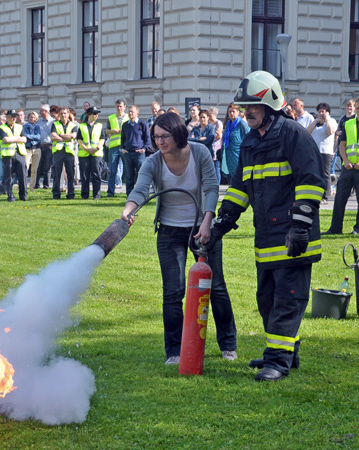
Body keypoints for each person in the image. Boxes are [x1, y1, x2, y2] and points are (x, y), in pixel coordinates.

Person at [209, 71, 325, 382]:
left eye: (253, 107)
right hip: (266, 241)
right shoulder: (250, 143)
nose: (247, 113)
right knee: (268, 301)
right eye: (244, 107)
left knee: (288, 300)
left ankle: (278, 361)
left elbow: (312, 182)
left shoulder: (292, 135)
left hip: (294, 238)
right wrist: (223, 222)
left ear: (271, 105)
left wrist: (300, 226)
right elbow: (239, 189)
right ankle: (288, 352)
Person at [121, 112, 238, 365]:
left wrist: (207, 223)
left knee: (216, 287)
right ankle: (174, 351)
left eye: (165, 136)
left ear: (178, 134)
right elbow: (140, 189)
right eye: (156, 137)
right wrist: (128, 211)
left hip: (201, 228)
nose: (160, 142)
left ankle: (228, 344)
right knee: (173, 292)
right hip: (169, 232)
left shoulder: (199, 153)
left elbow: (210, 187)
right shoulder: (153, 162)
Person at [324, 95, 359, 235]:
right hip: (348, 167)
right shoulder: (349, 123)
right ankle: (335, 228)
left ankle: (357, 229)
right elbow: (342, 144)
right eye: (357, 107)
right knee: (339, 199)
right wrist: (346, 161)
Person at [307, 103, 336, 204]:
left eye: (323, 111)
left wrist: (327, 120)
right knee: (315, 173)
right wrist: (315, 121)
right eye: (319, 111)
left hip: (326, 152)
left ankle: (326, 195)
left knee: (325, 174)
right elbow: (307, 132)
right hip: (315, 151)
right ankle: (316, 194)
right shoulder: (315, 122)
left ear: (328, 112)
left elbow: (330, 132)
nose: (321, 113)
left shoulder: (332, 121)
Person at [120, 105, 151, 195]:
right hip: (128, 153)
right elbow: (122, 139)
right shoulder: (125, 125)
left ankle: (142, 193)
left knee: (141, 174)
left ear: (137, 113)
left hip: (139, 153)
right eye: (129, 111)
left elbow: (147, 139)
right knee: (129, 175)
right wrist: (123, 148)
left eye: (132, 112)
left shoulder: (142, 124)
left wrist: (144, 149)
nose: (130, 113)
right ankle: (129, 195)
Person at [0, 109, 28, 202]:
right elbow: (5, 140)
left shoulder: (20, 127)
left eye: (15, 116)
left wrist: (12, 139)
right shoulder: (2, 128)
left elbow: (24, 139)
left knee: (23, 175)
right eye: (12, 116)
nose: (14, 118)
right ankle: (10, 195)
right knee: (9, 176)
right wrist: (17, 138)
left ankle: (23, 195)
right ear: (7, 117)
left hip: (19, 153)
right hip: (8, 155)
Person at [77, 106, 105, 200]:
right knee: (84, 176)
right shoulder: (82, 126)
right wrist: (86, 149)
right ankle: (84, 195)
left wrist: (97, 148)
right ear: (89, 114)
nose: (96, 115)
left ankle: (96, 195)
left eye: (97, 114)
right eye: (94, 113)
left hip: (96, 154)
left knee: (96, 175)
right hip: (84, 154)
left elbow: (102, 138)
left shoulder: (100, 125)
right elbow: (79, 139)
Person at [51, 106, 78, 200]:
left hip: (69, 152)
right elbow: (53, 137)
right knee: (56, 174)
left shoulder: (73, 125)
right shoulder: (55, 124)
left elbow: (73, 135)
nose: (63, 115)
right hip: (58, 151)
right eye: (61, 113)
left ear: (68, 114)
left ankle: (70, 194)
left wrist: (60, 135)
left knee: (70, 174)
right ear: (59, 114)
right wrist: (66, 137)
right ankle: (56, 194)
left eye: (65, 113)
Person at [220, 103, 249, 183]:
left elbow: (249, 137)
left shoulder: (242, 124)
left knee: (239, 175)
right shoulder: (228, 124)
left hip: (238, 155)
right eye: (230, 112)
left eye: (233, 111)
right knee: (231, 175)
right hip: (229, 155)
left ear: (238, 112)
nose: (231, 113)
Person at [106, 99, 129, 196]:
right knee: (113, 171)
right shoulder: (111, 117)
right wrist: (112, 131)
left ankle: (129, 191)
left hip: (125, 146)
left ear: (124, 107)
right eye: (117, 106)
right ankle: (110, 192)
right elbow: (106, 131)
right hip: (114, 147)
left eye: (121, 106)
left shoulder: (128, 117)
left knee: (128, 170)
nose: (119, 108)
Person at [36, 104, 54, 189]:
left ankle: (46, 185)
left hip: (49, 146)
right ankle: (36, 184)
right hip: (40, 146)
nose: (40, 112)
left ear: (46, 111)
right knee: (38, 166)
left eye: (41, 111)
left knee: (47, 167)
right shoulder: (39, 122)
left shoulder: (52, 122)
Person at [23, 111, 41, 192]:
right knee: (25, 167)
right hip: (28, 149)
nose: (32, 119)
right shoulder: (25, 126)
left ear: (36, 118)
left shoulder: (37, 127)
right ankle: (23, 186)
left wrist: (31, 137)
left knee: (34, 169)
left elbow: (38, 137)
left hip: (36, 148)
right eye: (31, 117)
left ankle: (32, 187)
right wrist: (33, 137)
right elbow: (25, 136)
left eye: (34, 117)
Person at [207, 106, 223, 184]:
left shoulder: (218, 123)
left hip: (216, 147)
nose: (209, 116)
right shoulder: (208, 123)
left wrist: (208, 138)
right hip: (209, 147)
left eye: (210, 115)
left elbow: (218, 135)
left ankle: (217, 184)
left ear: (215, 114)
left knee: (216, 167)